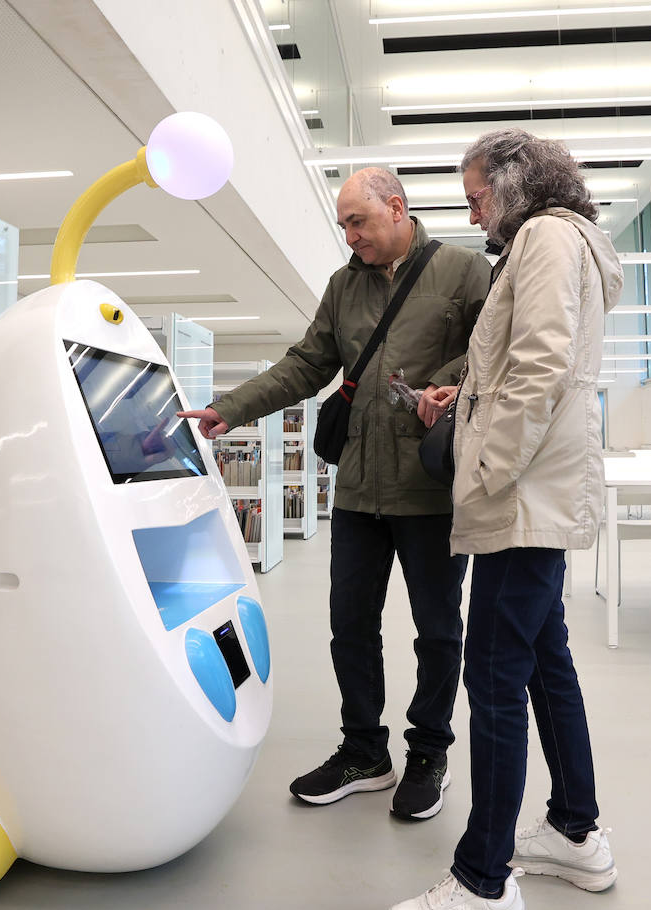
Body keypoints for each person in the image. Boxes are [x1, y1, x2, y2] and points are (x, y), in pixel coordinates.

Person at [178, 167, 491, 821]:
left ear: (397, 209)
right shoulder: (343, 287)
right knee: (350, 627)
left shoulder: (463, 272)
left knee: (438, 632)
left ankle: (428, 753)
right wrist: (228, 409)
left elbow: (498, 348)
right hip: (356, 491)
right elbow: (306, 362)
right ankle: (363, 753)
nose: (351, 237)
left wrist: (454, 382)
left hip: (431, 490)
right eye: (344, 225)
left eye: (360, 222)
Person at [386, 130, 623, 910]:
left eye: (477, 195)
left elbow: (542, 364)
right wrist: (473, 404)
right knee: (543, 660)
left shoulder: (545, 237)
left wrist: (486, 463)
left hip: (520, 497)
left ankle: (484, 883)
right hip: (536, 488)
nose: (473, 210)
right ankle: (576, 831)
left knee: (490, 676)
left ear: (516, 185)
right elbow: (525, 368)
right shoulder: (561, 240)